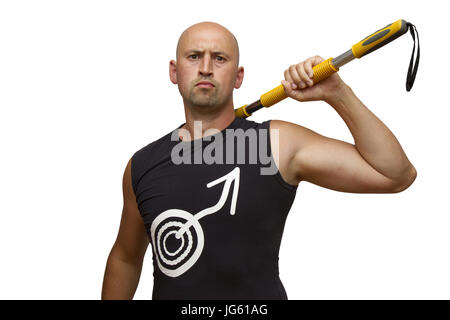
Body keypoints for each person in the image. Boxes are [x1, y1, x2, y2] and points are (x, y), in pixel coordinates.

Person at [101, 21, 417, 300]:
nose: (206, 67)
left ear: (238, 77)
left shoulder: (275, 143)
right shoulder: (142, 164)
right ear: (175, 71)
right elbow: (126, 258)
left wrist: (337, 93)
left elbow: (394, 174)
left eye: (219, 58)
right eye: (194, 56)